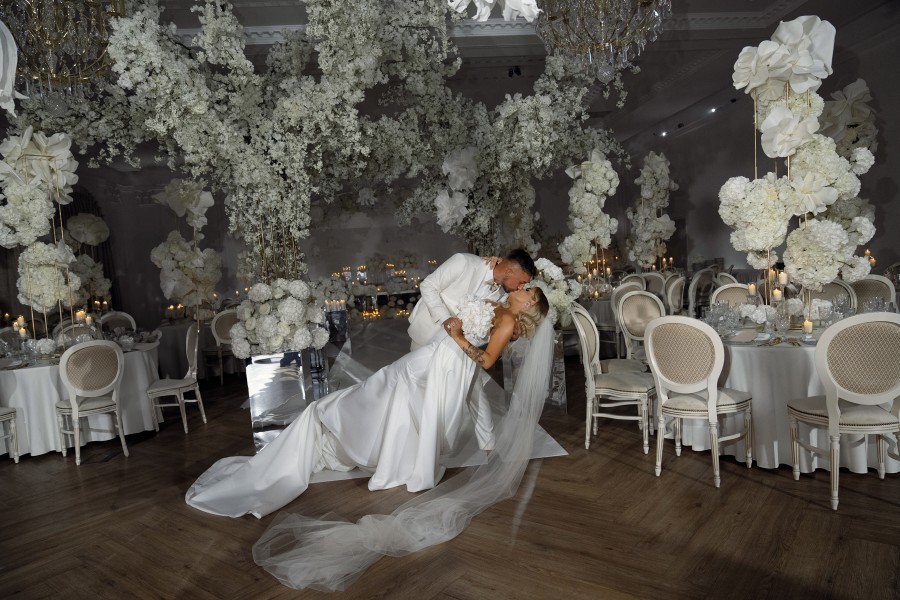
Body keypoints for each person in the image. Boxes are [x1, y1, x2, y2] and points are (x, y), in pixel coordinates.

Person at [186, 286, 550, 519]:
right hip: (438, 355)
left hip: (443, 362)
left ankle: (346, 425)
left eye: (526, 290)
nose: (520, 289)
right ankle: (349, 429)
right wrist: (454, 325)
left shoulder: (507, 321)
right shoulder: (498, 302)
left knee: (388, 386)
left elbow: (485, 361)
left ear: (531, 302)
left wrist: (457, 336)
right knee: (390, 390)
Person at [407, 248, 537, 451]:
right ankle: (417, 441)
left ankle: (488, 445)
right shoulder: (463, 262)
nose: (521, 287)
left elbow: (499, 324)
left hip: (462, 348)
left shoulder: (504, 295)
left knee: (474, 389)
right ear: (509, 271)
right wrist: (445, 319)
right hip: (428, 334)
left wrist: (512, 333)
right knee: (417, 387)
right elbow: (428, 285)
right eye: (521, 282)